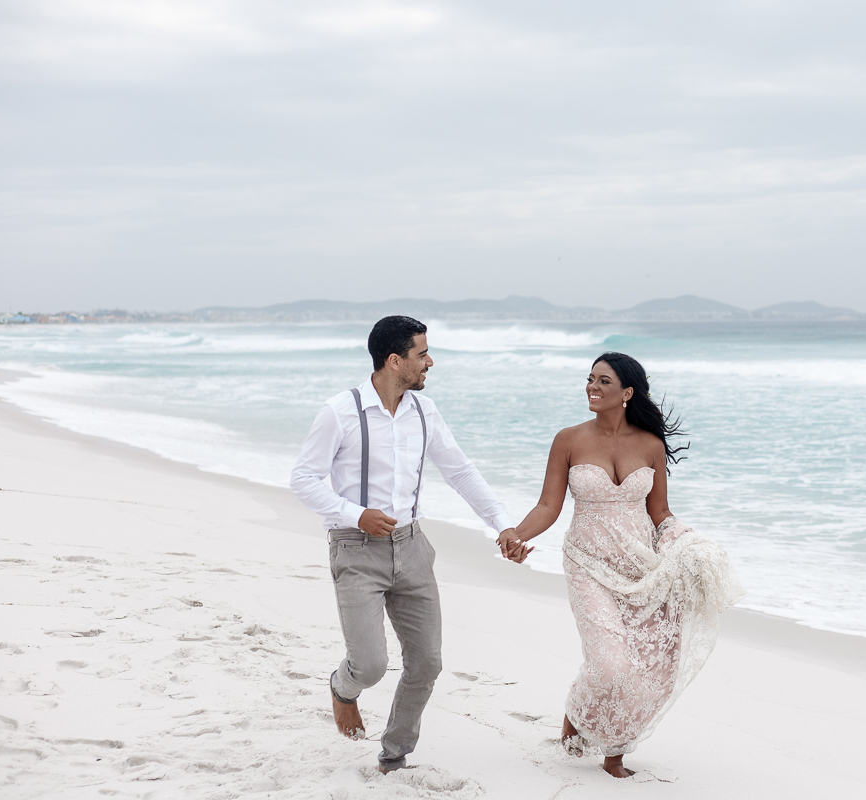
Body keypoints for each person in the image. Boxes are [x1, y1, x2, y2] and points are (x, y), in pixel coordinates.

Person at [290, 315, 522, 773]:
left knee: (427, 662)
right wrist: (355, 513)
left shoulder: (423, 411)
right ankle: (342, 688)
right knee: (370, 666)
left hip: (413, 547)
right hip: (356, 549)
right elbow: (303, 479)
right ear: (394, 361)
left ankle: (394, 754)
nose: (429, 362)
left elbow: (460, 471)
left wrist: (502, 524)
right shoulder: (340, 411)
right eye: (422, 354)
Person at [498, 352, 742, 778]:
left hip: (642, 567)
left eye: (604, 381)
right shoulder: (569, 439)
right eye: (590, 379)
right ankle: (577, 713)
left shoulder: (650, 445)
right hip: (587, 563)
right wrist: (517, 534)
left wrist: (688, 541)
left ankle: (614, 752)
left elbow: (659, 511)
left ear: (627, 392)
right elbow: (548, 506)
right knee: (611, 664)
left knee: (653, 663)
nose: (592, 387)